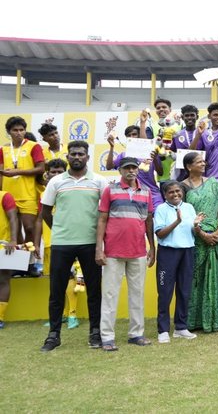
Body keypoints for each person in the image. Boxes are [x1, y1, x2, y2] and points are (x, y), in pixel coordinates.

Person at [40, 141, 107, 352]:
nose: (77, 157)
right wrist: (60, 230)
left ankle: (95, 332)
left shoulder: (99, 181)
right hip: (62, 243)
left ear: (87, 157)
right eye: (73, 154)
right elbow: (45, 212)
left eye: (81, 154)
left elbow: (105, 214)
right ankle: (54, 335)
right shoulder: (56, 182)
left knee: (94, 291)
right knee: (56, 291)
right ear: (67, 157)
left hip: (90, 243)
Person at [95, 157, 156, 351]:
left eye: (134, 168)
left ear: (138, 170)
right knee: (110, 294)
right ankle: (107, 337)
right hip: (113, 251)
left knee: (137, 294)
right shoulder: (110, 190)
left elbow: (148, 222)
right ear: (120, 170)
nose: (131, 171)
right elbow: (102, 220)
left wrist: (152, 247)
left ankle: (136, 334)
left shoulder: (146, 192)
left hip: (138, 251)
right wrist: (99, 248)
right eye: (127, 168)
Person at [181, 151, 218, 333]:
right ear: (188, 166)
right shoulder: (182, 187)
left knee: (214, 278)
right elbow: (184, 214)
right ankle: (193, 321)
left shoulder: (214, 183)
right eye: (198, 162)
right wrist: (201, 234)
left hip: (215, 238)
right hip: (194, 239)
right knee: (195, 279)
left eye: (203, 162)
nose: (203, 164)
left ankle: (214, 320)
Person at [154, 181, 203, 343]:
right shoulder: (161, 209)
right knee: (165, 292)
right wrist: (176, 222)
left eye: (178, 191)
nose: (175, 194)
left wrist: (196, 226)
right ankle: (163, 330)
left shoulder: (188, 207)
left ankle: (181, 327)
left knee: (184, 291)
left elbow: (193, 232)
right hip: (168, 253)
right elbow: (160, 234)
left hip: (187, 251)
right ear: (165, 195)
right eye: (171, 192)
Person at [0, 116, 45, 263]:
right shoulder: (3, 149)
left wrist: (17, 172)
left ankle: (30, 260)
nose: (19, 133)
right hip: (8, 195)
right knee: (15, 231)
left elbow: (41, 168)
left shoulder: (34, 146)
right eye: (15, 130)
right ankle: (19, 262)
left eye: (22, 130)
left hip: (28, 194)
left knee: (30, 228)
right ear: (9, 132)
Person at [105, 125, 163, 208]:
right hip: (133, 195)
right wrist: (111, 147)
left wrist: (155, 159)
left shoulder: (151, 152)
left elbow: (160, 173)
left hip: (153, 194)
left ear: (139, 136)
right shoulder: (124, 155)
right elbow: (109, 167)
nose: (131, 137)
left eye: (134, 134)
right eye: (129, 135)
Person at [0, 189, 20, 330]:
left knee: (3, 279)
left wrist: (13, 240)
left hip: (3, 244)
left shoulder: (4, 195)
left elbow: (13, 218)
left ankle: (0, 317)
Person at [171, 104, 199, 181]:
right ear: (182, 117)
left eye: (192, 115)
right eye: (187, 115)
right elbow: (172, 151)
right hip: (182, 175)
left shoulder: (203, 134)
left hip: (200, 174)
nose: (189, 118)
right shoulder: (176, 135)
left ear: (197, 117)